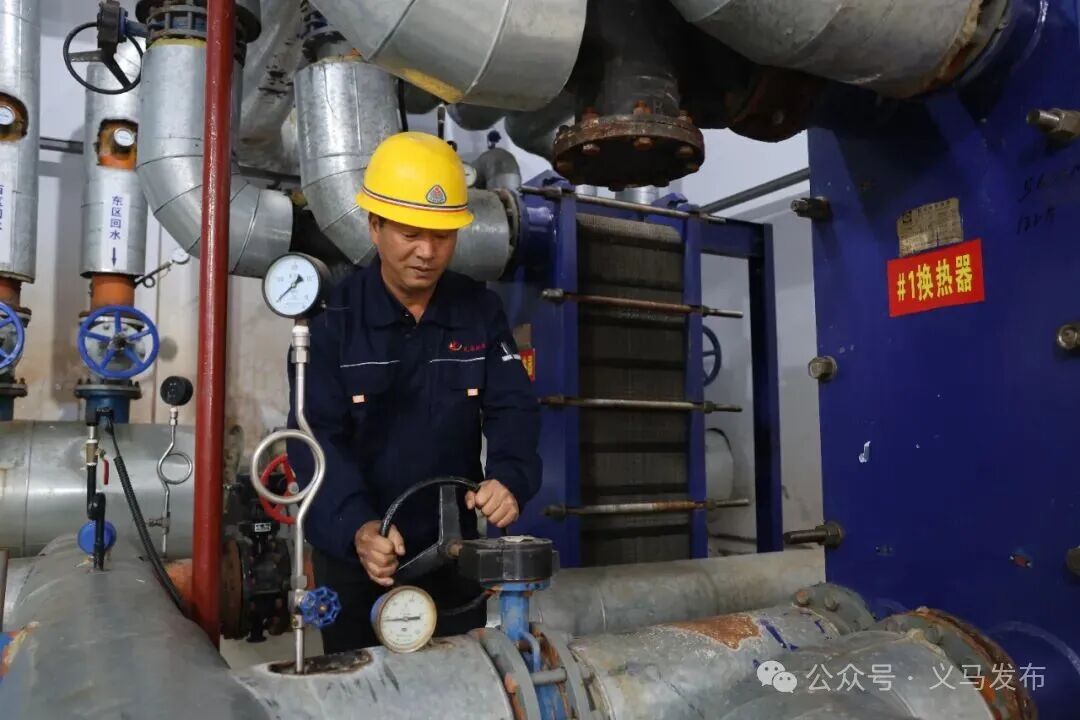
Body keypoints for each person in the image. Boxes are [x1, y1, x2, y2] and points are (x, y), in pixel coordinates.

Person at [285, 131, 542, 653]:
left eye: (442, 236)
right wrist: (357, 527)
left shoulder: (479, 310)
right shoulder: (332, 321)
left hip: (452, 554)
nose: (427, 252)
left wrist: (509, 478)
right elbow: (314, 438)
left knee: (463, 681)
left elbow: (513, 406)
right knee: (362, 686)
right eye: (410, 233)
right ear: (374, 226)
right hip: (359, 559)